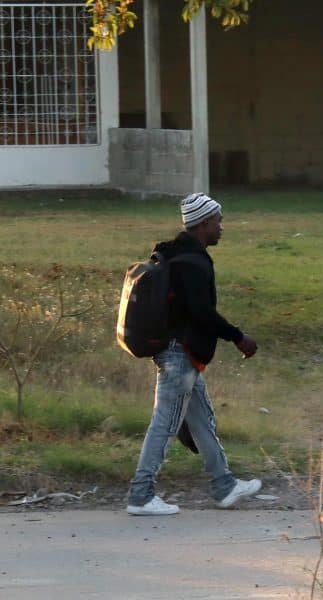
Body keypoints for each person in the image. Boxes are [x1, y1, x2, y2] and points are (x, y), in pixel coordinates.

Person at [126, 193, 262, 516]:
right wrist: (238, 336)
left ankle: (224, 487)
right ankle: (141, 495)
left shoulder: (176, 255)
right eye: (218, 220)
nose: (221, 226)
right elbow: (202, 312)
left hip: (181, 355)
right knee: (165, 423)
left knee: (201, 421)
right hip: (179, 356)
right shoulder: (193, 263)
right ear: (203, 223)